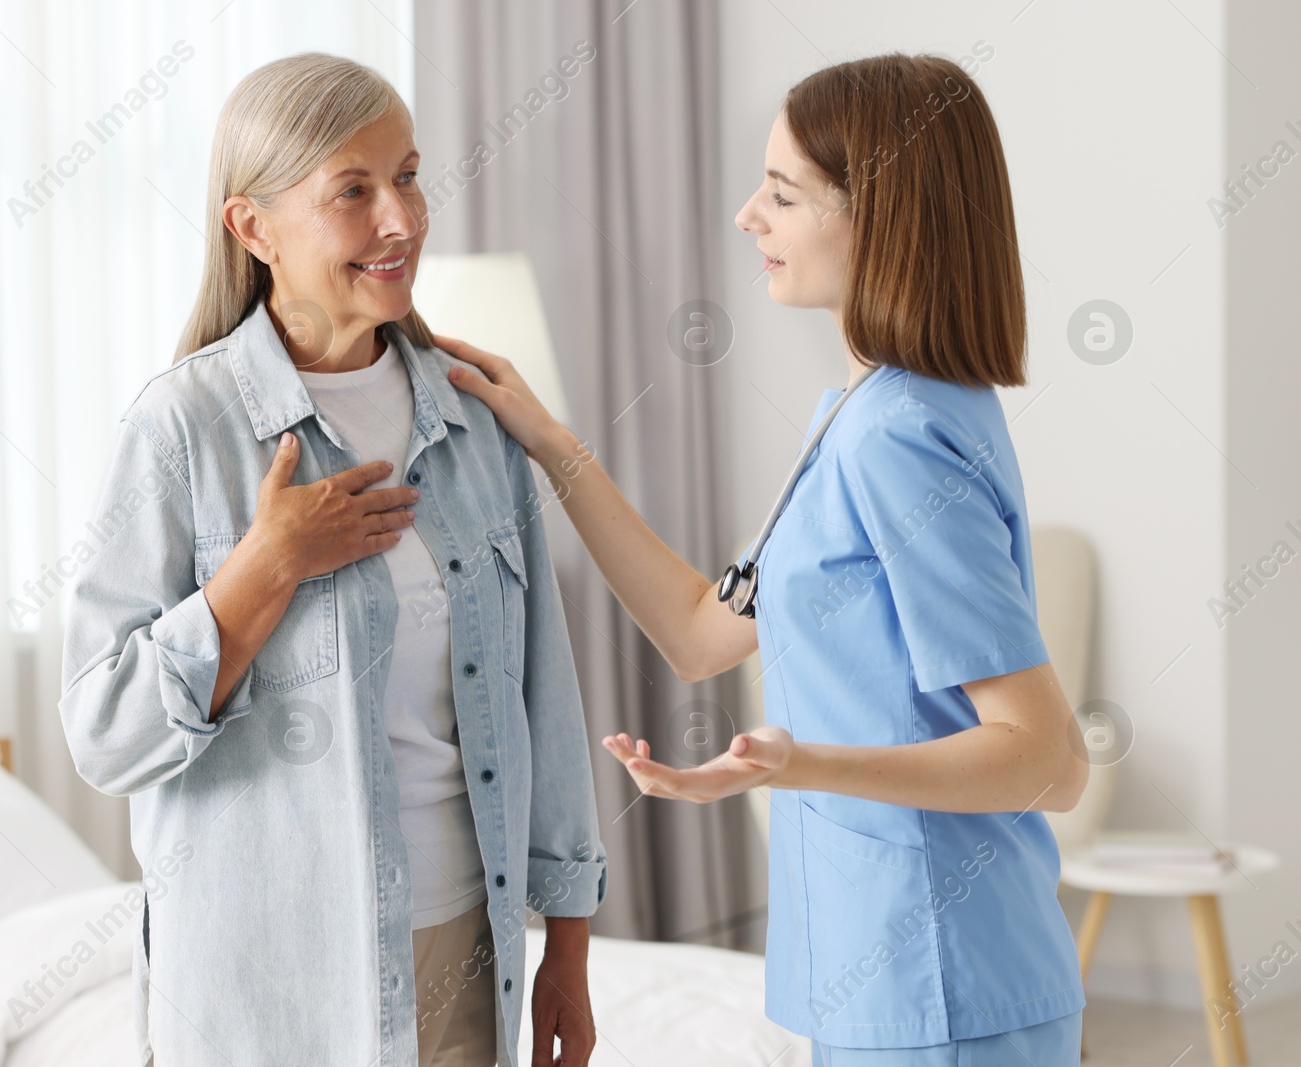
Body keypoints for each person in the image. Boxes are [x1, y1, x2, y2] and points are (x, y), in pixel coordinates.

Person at [438, 52, 1088, 1066]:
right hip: (879, 971)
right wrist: (554, 446)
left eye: (783, 193)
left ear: (880, 217)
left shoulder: (897, 436)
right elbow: (702, 631)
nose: (748, 215)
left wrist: (794, 764)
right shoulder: (858, 417)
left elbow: (1047, 757)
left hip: (941, 982)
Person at [57, 53, 604, 1067]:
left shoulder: (473, 415)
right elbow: (102, 733)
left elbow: (544, 692)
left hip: (464, 948)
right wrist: (263, 569)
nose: (400, 220)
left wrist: (565, 942)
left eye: (407, 175)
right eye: (352, 190)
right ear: (253, 229)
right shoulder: (182, 429)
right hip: (259, 978)